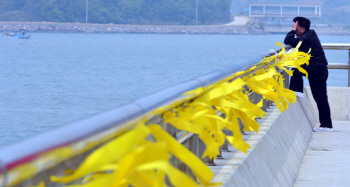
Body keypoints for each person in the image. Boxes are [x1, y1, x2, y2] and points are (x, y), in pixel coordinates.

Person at [284, 17, 333, 132]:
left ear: (303, 28)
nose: (295, 30)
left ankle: (297, 90)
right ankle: (326, 125)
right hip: (316, 69)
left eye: (296, 27)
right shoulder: (306, 37)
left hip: (318, 69)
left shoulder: (308, 36)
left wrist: (292, 31)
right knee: (320, 98)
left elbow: (288, 40)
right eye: (293, 27)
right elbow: (293, 44)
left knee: (295, 68)